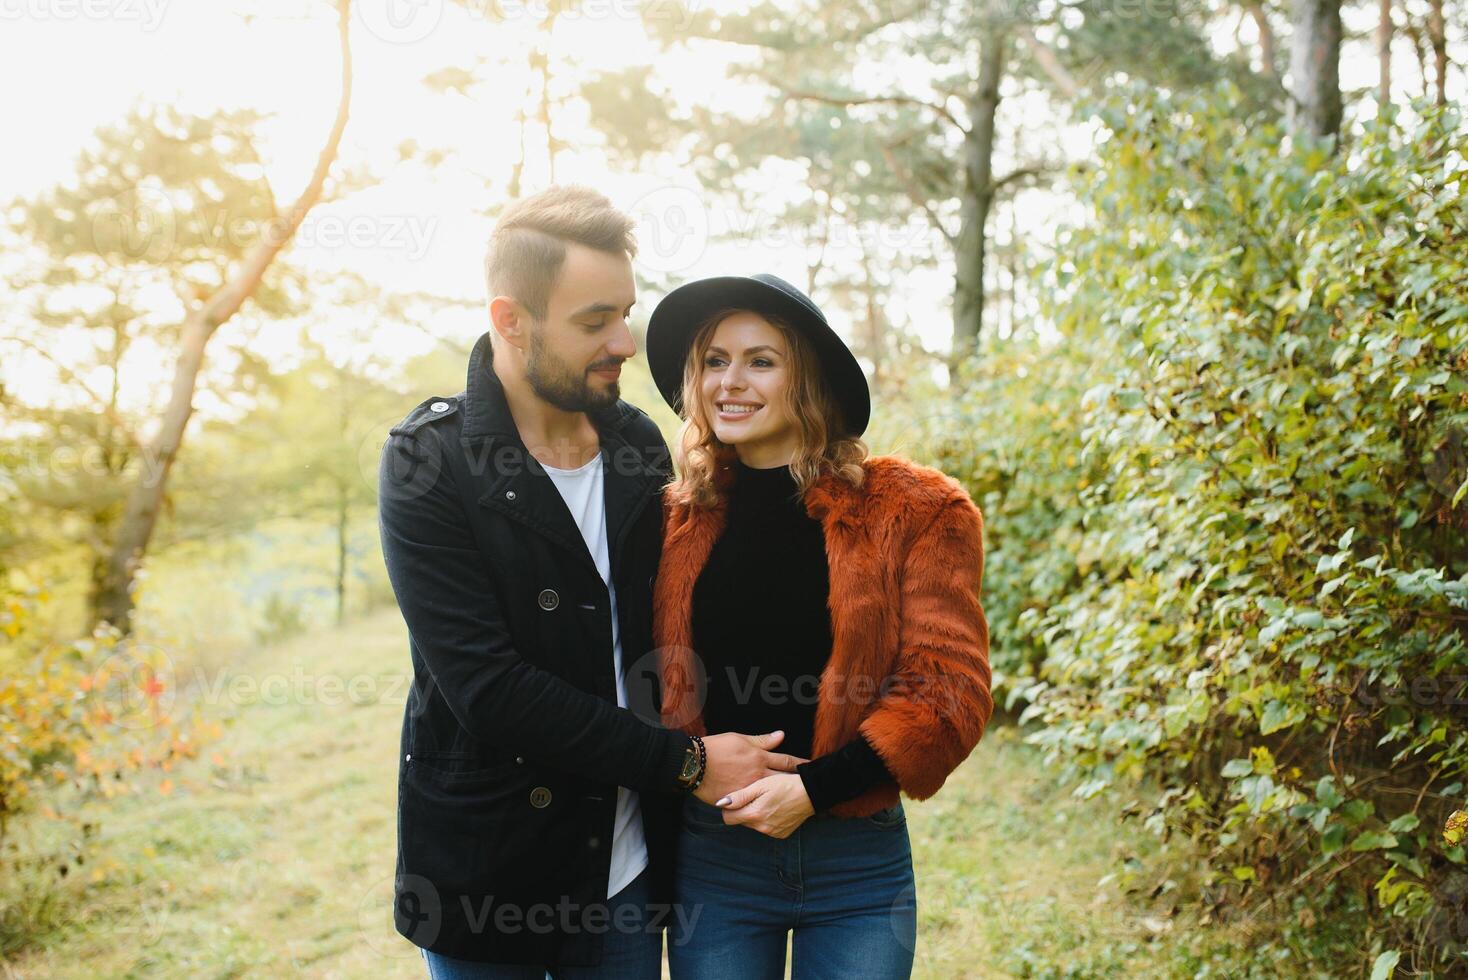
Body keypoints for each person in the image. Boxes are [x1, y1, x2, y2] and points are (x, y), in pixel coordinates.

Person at [377, 188, 805, 978]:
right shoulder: (427, 461)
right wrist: (690, 764)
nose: (626, 342)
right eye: (594, 321)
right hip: (489, 874)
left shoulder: (637, 443)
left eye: (626, 313)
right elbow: (489, 689)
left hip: (627, 873)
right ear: (511, 320)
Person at [644, 273, 995, 979]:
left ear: (810, 377)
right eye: (714, 361)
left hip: (855, 863)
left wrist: (811, 790)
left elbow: (947, 694)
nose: (730, 382)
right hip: (716, 858)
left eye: (760, 360)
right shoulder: (668, 519)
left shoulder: (919, 509)